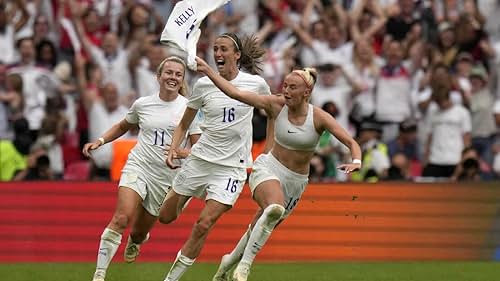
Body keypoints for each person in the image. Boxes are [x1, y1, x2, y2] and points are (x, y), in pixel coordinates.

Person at [194, 57, 362, 281]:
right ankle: (244, 267)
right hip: (269, 167)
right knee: (274, 208)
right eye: (285, 86)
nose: (287, 91)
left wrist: (356, 162)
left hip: (296, 181)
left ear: (307, 92)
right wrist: (208, 71)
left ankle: (229, 261)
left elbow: (352, 143)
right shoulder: (275, 104)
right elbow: (236, 94)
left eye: (293, 87)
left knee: (262, 225)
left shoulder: (319, 117)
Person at [158, 33, 272, 281]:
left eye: (223, 49)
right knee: (165, 217)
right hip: (200, 160)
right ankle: (183, 195)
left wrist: (268, 151)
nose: (218, 54)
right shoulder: (203, 86)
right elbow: (184, 124)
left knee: (203, 224)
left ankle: (170, 279)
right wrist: (172, 149)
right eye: (215, 49)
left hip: (231, 168)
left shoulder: (256, 84)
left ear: (237, 55)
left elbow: (274, 111)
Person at [82, 56, 201, 281]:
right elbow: (122, 126)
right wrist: (99, 141)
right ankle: (99, 275)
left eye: (178, 74)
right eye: (169, 72)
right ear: (158, 76)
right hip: (139, 165)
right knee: (121, 217)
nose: (173, 77)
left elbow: (198, 147)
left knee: (138, 232)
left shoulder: (189, 109)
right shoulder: (143, 104)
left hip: (166, 177)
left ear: (182, 79)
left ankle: (136, 240)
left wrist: (180, 153)